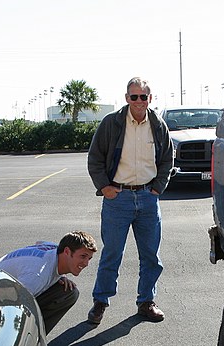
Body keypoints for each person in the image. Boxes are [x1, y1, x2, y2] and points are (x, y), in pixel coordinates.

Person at [86, 76, 173, 325]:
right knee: (112, 253)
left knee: (151, 256)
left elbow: (167, 158)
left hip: (148, 198)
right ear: (126, 98)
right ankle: (100, 302)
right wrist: (105, 187)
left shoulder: (157, 125)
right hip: (118, 199)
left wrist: (158, 188)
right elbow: (95, 158)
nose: (138, 101)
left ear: (149, 98)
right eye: (133, 96)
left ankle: (146, 302)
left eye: (142, 97)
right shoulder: (111, 123)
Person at [0, 231, 97, 333]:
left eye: (89, 258)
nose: (86, 263)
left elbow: (39, 243)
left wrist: (60, 276)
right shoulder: (37, 277)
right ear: (67, 251)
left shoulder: (54, 248)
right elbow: (11, 304)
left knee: (69, 292)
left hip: (17, 283)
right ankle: (32, 341)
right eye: (83, 256)